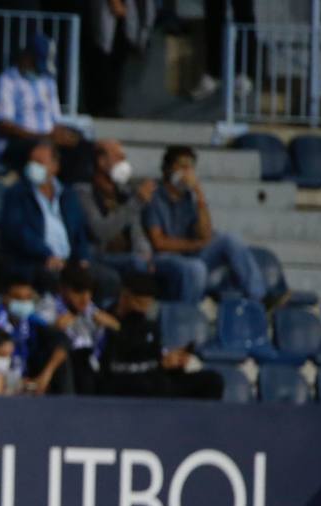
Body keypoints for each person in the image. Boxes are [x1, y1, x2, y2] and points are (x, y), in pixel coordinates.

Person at [144, 145, 270, 307]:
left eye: (190, 167)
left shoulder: (189, 198)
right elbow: (159, 243)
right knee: (196, 268)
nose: (187, 172)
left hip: (189, 255)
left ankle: (258, 300)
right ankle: (189, 316)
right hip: (162, 260)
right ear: (168, 169)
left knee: (230, 240)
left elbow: (205, 234)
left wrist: (199, 194)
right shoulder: (154, 197)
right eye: (182, 166)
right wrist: (195, 245)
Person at [99, 271, 224, 399]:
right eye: (139, 303)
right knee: (149, 386)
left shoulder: (148, 325)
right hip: (125, 386)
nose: (143, 309)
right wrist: (159, 364)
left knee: (212, 381)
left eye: (147, 304)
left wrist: (174, 363)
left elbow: (156, 358)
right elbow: (114, 368)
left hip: (156, 383)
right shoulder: (104, 322)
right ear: (125, 297)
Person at [0, 34, 89, 180]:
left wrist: (66, 136)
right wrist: (44, 137)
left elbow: (55, 122)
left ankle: (70, 193)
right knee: (42, 149)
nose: (40, 71)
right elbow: (4, 126)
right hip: (13, 144)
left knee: (82, 146)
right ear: (27, 58)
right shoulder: (5, 82)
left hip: (46, 139)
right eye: (37, 64)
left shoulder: (48, 82)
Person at [0, 142, 95, 292]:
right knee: (51, 277)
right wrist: (46, 255)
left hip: (69, 262)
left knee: (104, 278)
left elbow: (79, 230)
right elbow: (17, 231)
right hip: (34, 261)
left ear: (55, 167)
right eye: (31, 161)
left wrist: (83, 257)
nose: (32, 166)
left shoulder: (68, 194)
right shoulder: (17, 193)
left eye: (39, 162)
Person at [74, 140, 154, 291]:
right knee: (136, 264)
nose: (124, 163)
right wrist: (137, 201)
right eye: (119, 158)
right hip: (99, 256)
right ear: (101, 162)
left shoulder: (125, 193)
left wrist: (145, 252)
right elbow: (101, 232)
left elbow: (136, 230)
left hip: (129, 256)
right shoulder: (83, 193)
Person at [0, 276, 74, 394]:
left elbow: (63, 340)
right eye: (18, 298)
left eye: (28, 298)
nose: (24, 303)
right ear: (5, 299)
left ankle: (65, 405)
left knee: (60, 355)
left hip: (31, 378)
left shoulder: (34, 321)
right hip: (4, 379)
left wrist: (45, 375)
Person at [46, 261, 120, 395]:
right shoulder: (49, 304)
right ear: (62, 289)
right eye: (78, 292)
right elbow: (50, 332)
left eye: (89, 292)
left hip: (89, 361)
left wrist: (106, 321)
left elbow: (117, 326)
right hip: (65, 362)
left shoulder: (89, 307)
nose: (85, 298)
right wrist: (67, 319)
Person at [84, 0, 156, 119]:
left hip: (126, 17)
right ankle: (103, 107)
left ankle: (111, 106)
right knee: (102, 62)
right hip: (108, 16)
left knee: (116, 65)